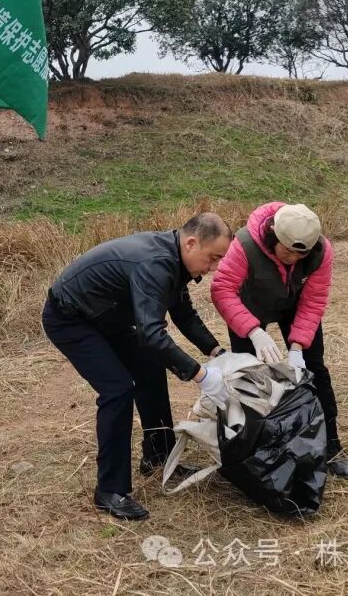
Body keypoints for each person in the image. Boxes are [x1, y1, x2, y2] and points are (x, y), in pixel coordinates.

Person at [42, 212, 234, 520]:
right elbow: (152, 333)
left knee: (149, 367)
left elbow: (182, 313)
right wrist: (201, 375)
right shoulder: (155, 263)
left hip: (107, 315)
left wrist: (217, 352)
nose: (213, 268)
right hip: (71, 318)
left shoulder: (175, 260)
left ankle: (158, 456)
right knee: (118, 390)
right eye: (212, 258)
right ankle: (110, 491)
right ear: (191, 242)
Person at [210, 202, 348, 480]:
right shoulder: (245, 244)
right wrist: (253, 331)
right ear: (273, 235)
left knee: (315, 371)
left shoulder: (320, 252)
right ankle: (248, 448)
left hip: (295, 305)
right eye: (287, 250)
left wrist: (298, 346)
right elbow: (222, 289)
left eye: (300, 253)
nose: (292, 258)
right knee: (248, 375)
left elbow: (314, 300)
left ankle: (331, 447)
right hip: (249, 306)